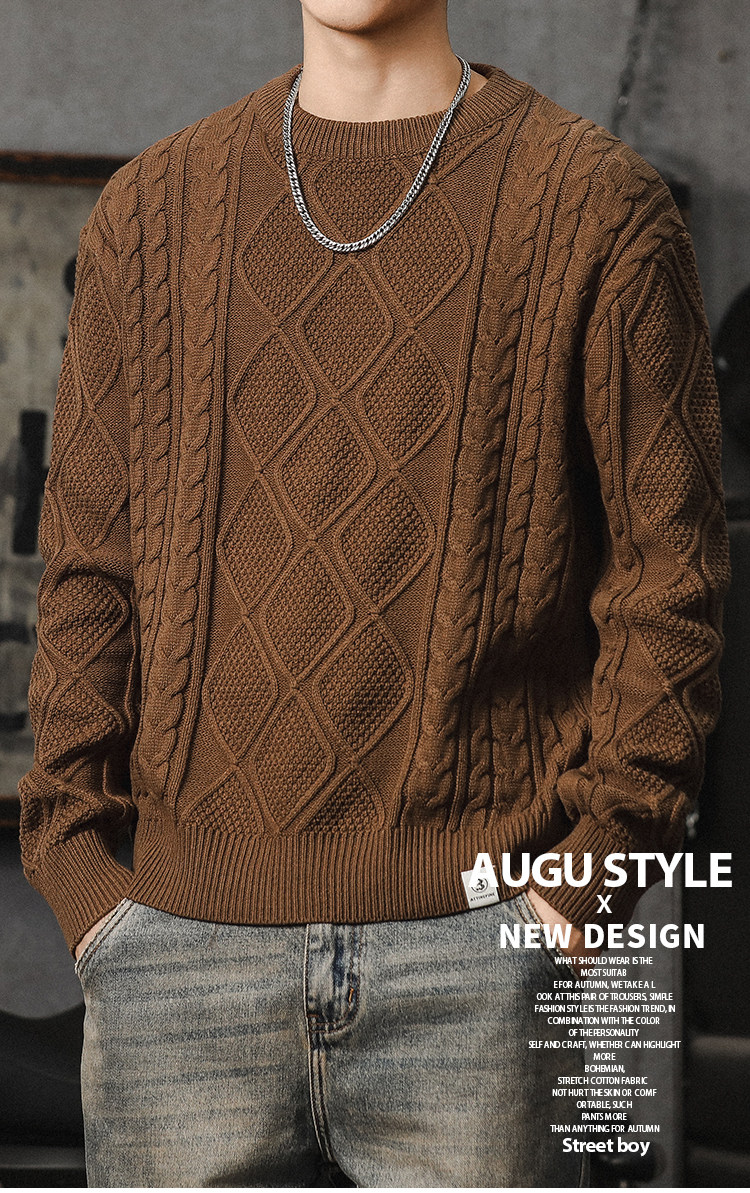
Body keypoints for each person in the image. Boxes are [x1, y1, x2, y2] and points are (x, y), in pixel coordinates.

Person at [18, 0, 730, 1186]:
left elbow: (672, 577)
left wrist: (584, 879)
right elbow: (90, 567)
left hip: (481, 967)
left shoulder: (599, 207)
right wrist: (82, 871)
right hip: (177, 965)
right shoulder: (151, 209)